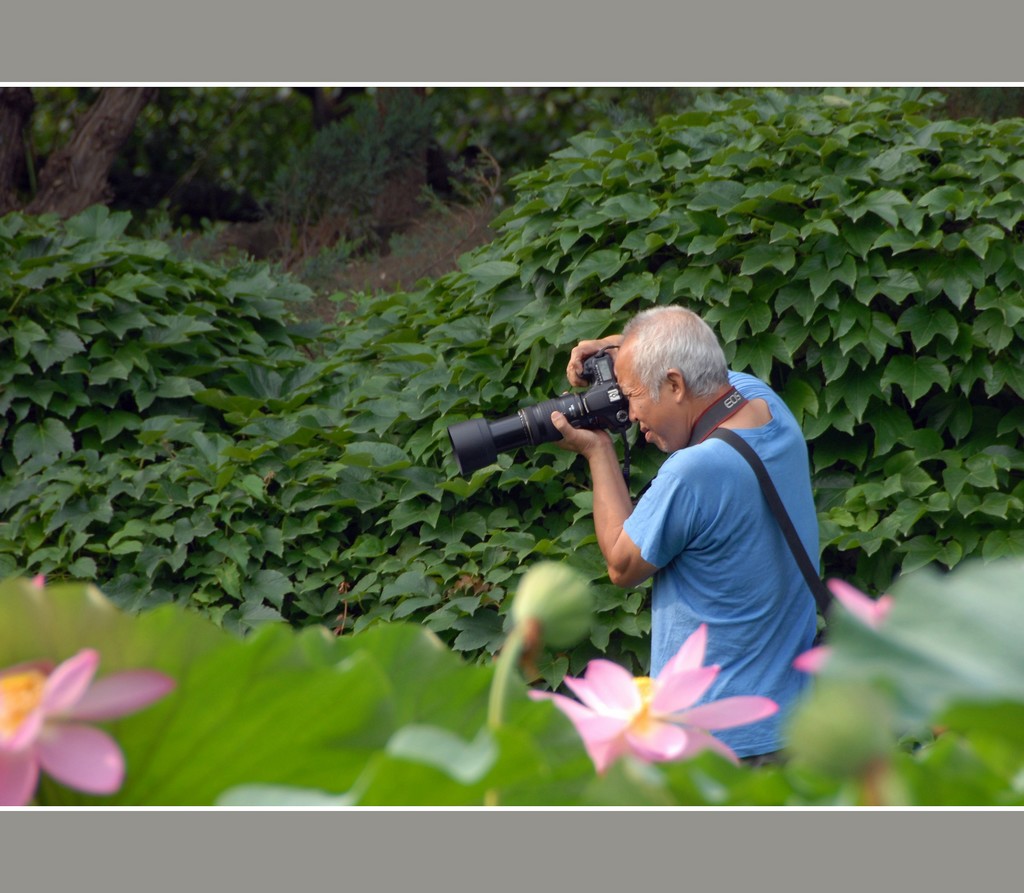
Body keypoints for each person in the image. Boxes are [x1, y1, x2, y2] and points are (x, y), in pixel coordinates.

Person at [550, 305, 819, 760]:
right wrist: (617, 352)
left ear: (674, 385)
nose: (629, 413)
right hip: (797, 718)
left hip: (723, 742)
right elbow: (697, 355)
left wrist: (597, 452)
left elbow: (621, 562)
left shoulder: (694, 471)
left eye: (632, 395)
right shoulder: (765, 404)